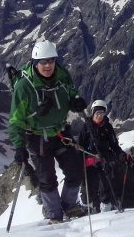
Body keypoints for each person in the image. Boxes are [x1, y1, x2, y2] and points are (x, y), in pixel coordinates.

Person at [8, 40, 88, 223]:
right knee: (47, 178)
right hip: (37, 137)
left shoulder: (62, 75)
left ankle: (70, 206)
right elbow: (15, 119)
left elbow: (71, 91)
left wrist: (75, 100)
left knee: (75, 171)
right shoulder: (24, 87)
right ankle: (54, 214)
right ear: (35, 63)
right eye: (43, 62)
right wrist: (19, 146)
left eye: (51, 61)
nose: (48, 65)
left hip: (60, 133)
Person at [78, 99, 130, 213]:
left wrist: (121, 155)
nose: (99, 116)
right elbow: (80, 146)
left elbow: (114, 145)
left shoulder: (107, 127)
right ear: (92, 113)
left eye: (102, 113)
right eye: (97, 113)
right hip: (90, 160)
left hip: (104, 159)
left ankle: (105, 207)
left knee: (105, 183)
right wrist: (85, 157)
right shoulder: (86, 127)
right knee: (89, 185)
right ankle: (86, 206)